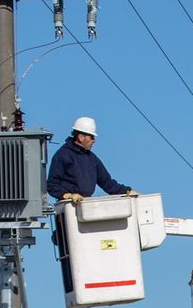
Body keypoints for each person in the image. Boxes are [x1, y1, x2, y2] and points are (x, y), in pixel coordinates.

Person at [47, 116, 136, 295]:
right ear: (80, 137)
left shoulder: (91, 159)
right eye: (91, 137)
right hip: (69, 210)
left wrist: (127, 191)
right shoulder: (63, 156)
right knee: (72, 252)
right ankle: (76, 288)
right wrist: (67, 195)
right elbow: (51, 185)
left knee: (91, 251)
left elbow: (107, 183)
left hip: (86, 209)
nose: (94, 140)